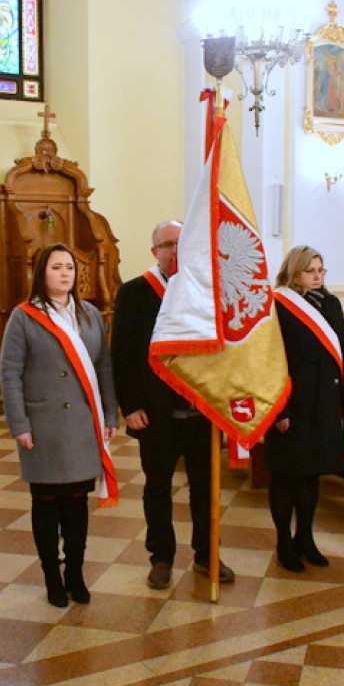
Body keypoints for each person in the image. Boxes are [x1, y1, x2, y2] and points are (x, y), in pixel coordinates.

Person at [111, 221, 234, 590]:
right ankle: (161, 556)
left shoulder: (206, 291)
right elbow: (122, 355)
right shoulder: (135, 293)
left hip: (202, 412)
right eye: (167, 244)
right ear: (155, 252)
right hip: (155, 412)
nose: (174, 250)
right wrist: (130, 405)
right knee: (157, 489)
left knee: (205, 489)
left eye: (181, 243)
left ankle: (206, 555)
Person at [0, 243, 119, 607]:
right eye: (56, 267)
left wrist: (110, 414)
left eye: (70, 267)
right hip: (43, 426)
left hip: (83, 423)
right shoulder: (24, 316)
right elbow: (9, 374)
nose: (65, 274)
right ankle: (52, 575)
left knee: (76, 501)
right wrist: (19, 423)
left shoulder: (90, 315)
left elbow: (103, 369)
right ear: (42, 273)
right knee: (47, 501)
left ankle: (76, 573)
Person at [266, 246, 344, 571]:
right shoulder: (278, 305)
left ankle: (305, 537)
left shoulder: (331, 304)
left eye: (321, 270)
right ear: (294, 272)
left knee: (311, 477)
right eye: (310, 270)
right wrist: (279, 411)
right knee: (286, 476)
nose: (317, 276)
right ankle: (284, 542)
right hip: (292, 405)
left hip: (324, 404)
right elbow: (270, 360)